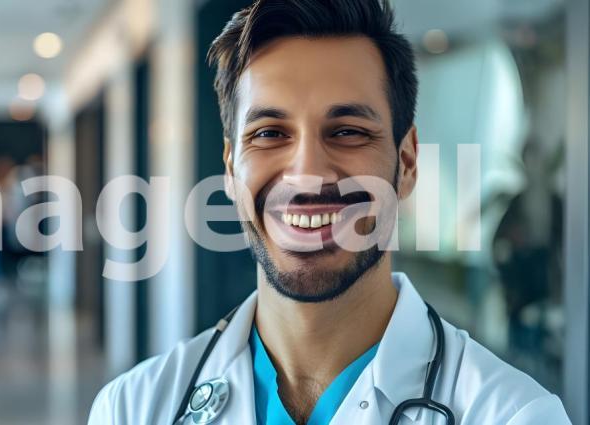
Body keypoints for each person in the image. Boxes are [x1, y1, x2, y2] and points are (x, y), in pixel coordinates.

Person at [88, 1, 570, 424]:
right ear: (232, 171)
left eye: (347, 132)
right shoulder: (133, 409)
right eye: (270, 133)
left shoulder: (512, 415)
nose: (306, 174)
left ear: (406, 163)